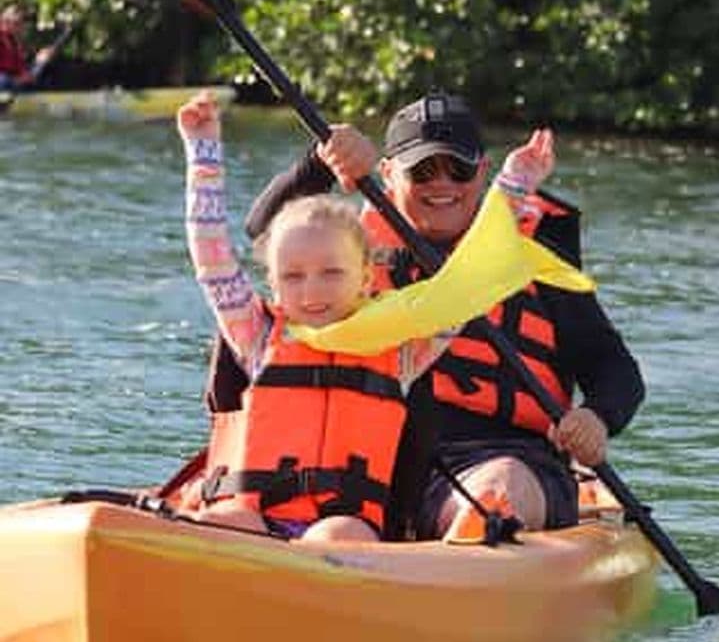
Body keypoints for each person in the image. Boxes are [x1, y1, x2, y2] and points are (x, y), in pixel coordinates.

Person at [176, 91, 589, 544]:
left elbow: (466, 289)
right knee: (220, 522)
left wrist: (513, 186)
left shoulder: (399, 351)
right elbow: (210, 252)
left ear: (363, 280)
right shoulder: (256, 334)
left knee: (336, 536)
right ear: (273, 284)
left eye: (331, 273)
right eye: (293, 277)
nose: (312, 292)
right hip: (252, 511)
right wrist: (203, 151)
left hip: (339, 525)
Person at [0, 5, 55, 91]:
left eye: (22, 23)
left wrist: (40, 60)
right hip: (6, 82)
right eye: (17, 23)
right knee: (4, 80)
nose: (21, 27)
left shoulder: (14, 41)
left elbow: (22, 70)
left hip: (16, 81)